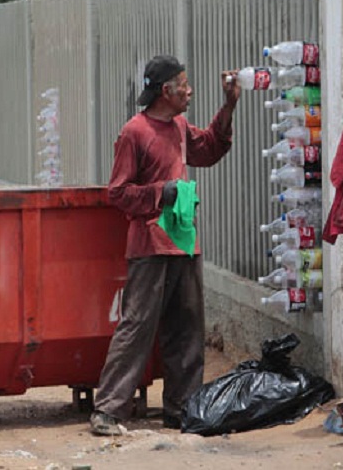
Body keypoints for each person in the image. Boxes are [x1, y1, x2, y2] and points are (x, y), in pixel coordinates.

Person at [89, 55, 241, 436]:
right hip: (150, 244)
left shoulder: (179, 126)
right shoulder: (134, 133)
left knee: (187, 329)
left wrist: (230, 104)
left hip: (183, 241)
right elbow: (119, 193)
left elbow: (209, 149)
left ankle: (182, 408)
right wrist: (163, 192)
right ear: (165, 91)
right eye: (184, 84)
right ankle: (107, 410)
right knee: (138, 325)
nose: (190, 90)